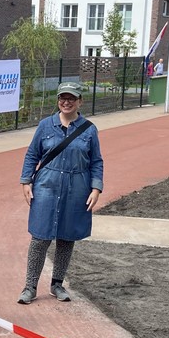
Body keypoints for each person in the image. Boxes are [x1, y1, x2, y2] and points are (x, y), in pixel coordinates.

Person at [17, 81, 103, 304]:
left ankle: (57, 284)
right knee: (40, 236)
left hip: (77, 187)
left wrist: (96, 187)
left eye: (71, 98)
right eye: (62, 98)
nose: (66, 102)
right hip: (47, 184)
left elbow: (96, 161)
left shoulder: (89, 129)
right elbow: (31, 155)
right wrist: (26, 181)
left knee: (67, 237)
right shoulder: (46, 126)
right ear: (58, 101)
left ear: (80, 101)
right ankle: (30, 286)